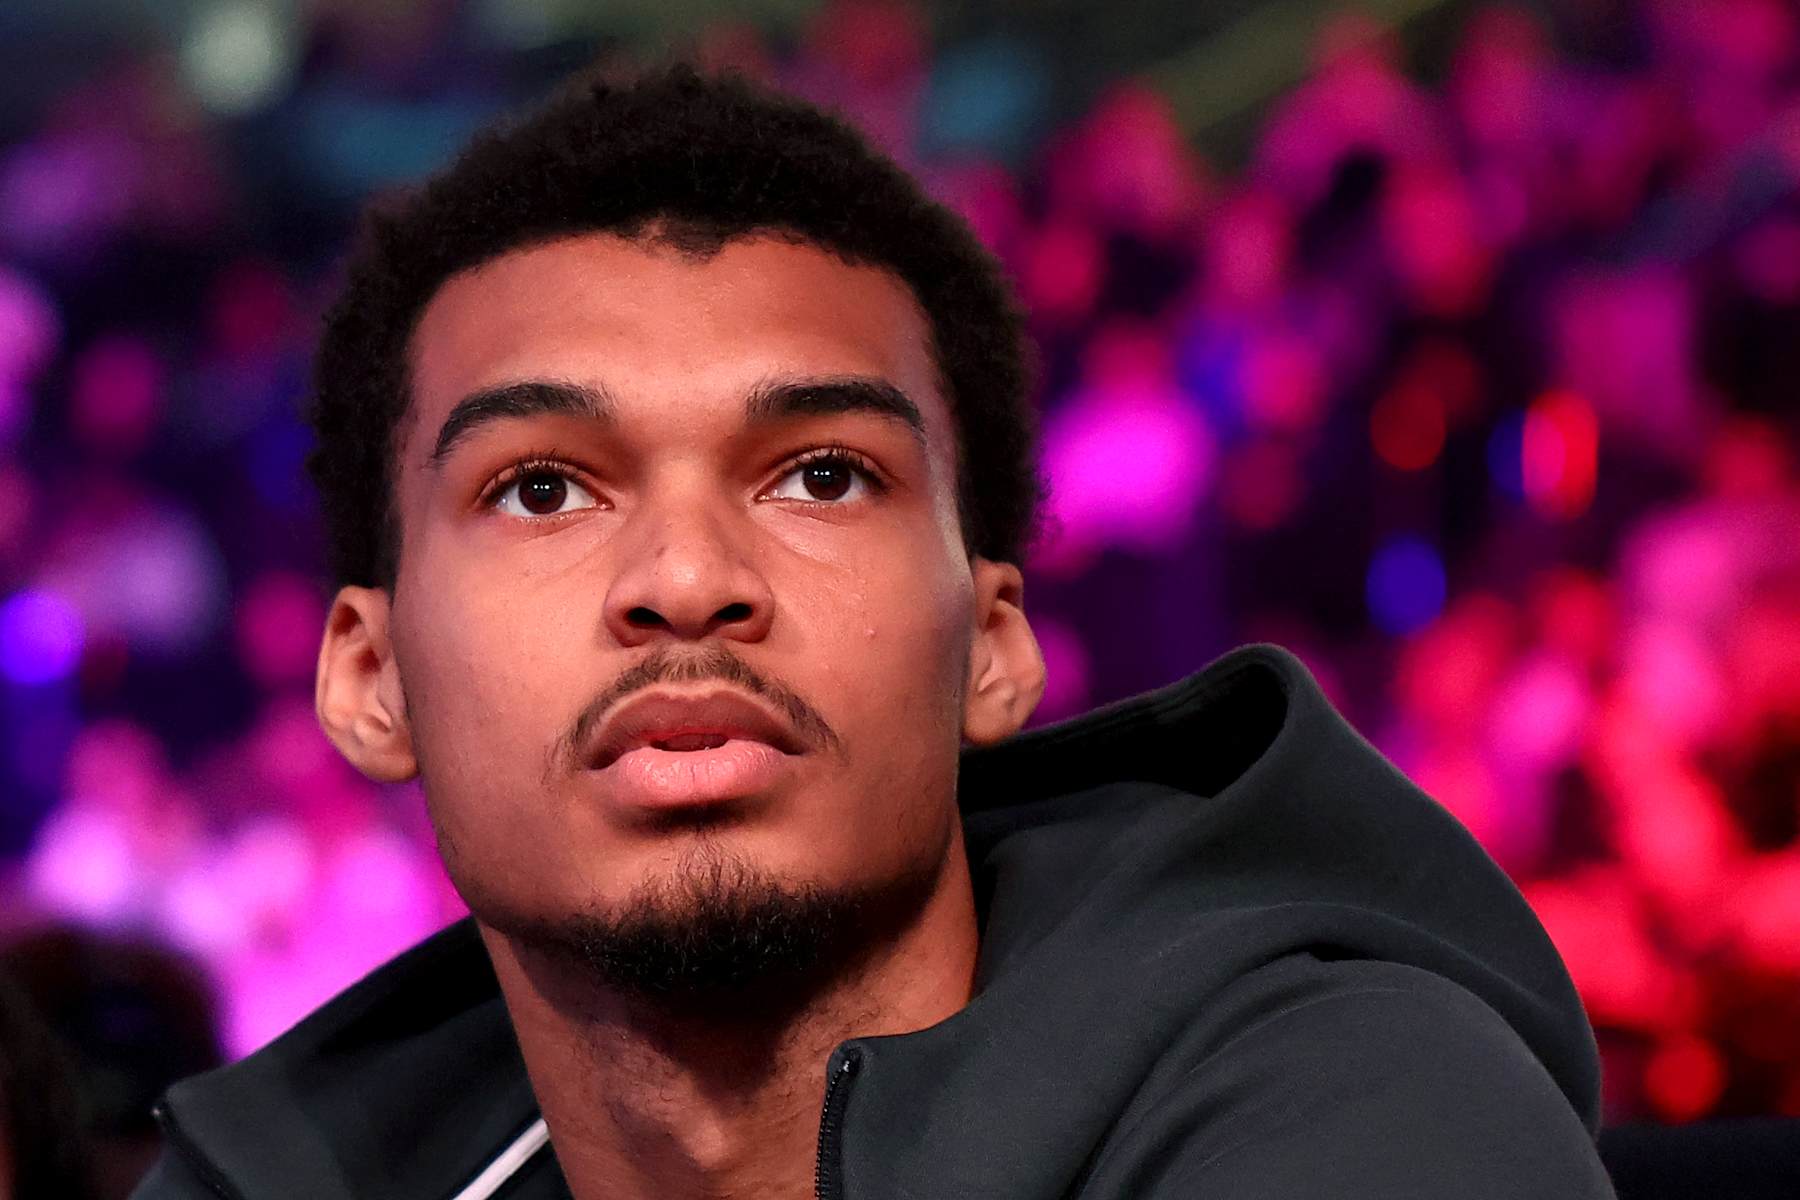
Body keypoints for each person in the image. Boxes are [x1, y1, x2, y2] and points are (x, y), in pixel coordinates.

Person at [133, 65, 1615, 1199]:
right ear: (371, 678)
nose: (687, 578)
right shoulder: (273, 1179)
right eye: (542, 489)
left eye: (823, 476)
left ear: (994, 645)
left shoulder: (1357, 1115)